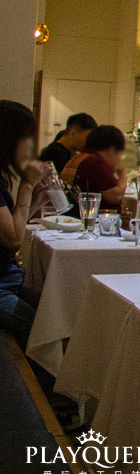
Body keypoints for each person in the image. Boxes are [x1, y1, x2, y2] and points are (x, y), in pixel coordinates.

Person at [0, 102, 47, 348]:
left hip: (8, 279)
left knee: (53, 312)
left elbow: (10, 227)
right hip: (2, 287)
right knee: (43, 332)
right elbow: (12, 238)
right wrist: (27, 187)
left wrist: (37, 198)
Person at [60, 125, 129, 208]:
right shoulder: (96, 163)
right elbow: (115, 197)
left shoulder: (80, 157)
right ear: (112, 149)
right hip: (92, 218)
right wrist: (123, 172)